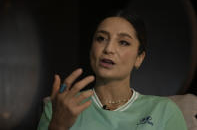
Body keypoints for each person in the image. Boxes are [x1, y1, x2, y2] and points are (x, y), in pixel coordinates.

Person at [37, 11, 187, 130]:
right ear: (91, 50)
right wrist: (58, 127)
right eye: (101, 39)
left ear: (139, 58)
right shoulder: (61, 106)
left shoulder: (163, 110)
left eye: (123, 42)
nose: (108, 49)